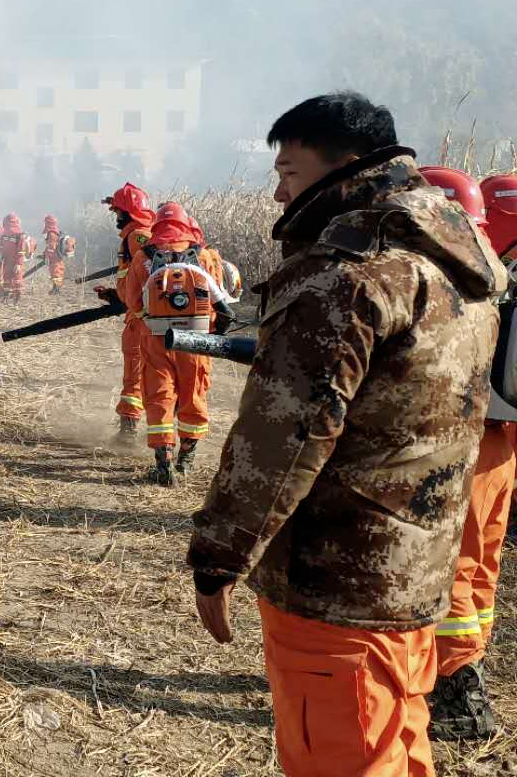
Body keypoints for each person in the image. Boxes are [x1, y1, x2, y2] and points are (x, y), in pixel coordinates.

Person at [187, 92, 506, 777]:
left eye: (289, 172)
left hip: (340, 580)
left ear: (344, 168)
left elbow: (281, 440)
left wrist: (218, 558)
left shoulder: (350, 279)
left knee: (343, 753)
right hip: (414, 572)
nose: (277, 193)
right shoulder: (459, 261)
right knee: (393, 742)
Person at [419, 167, 514, 741]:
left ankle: (457, 687)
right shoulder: (496, 277)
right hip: (498, 445)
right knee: (480, 558)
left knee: (453, 561)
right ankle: (462, 666)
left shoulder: (450, 283)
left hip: (463, 441)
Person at [124, 202, 228, 484]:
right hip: (196, 339)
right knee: (193, 394)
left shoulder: (143, 257)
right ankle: (186, 462)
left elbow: (133, 302)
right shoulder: (204, 256)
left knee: (159, 396)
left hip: (157, 338)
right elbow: (219, 300)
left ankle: (163, 465)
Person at [95, 184, 155, 441]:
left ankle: (128, 431)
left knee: (135, 371)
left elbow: (144, 278)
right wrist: (116, 294)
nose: (116, 218)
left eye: (118, 212)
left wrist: (131, 302)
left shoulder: (138, 236)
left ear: (128, 212)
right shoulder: (137, 235)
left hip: (141, 318)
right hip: (139, 311)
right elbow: (133, 276)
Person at [0, 213, 30, 303]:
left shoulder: (19, 236)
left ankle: (17, 298)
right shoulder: (3, 235)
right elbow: (1, 246)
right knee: (6, 277)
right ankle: (6, 296)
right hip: (7, 261)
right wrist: (0, 255)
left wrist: (19, 264)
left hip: (16, 261)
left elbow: (21, 251)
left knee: (17, 278)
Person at [42, 215, 66, 294]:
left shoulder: (51, 233)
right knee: (57, 272)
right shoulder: (55, 231)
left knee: (56, 272)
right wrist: (44, 254)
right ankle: (55, 289)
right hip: (57, 256)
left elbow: (51, 247)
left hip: (54, 257)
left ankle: (56, 290)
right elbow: (49, 246)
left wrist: (47, 257)